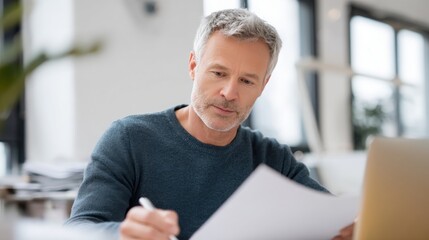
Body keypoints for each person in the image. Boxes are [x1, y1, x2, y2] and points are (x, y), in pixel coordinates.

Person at [66, 8, 353, 240]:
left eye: (246, 81)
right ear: (193, 66)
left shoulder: (273, 159)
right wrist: (122, 234)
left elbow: (332, 220)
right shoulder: (128, 139)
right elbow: (80, 228)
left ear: (263, 86)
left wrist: (351, 229)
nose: (229, 93)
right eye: (218, 73)